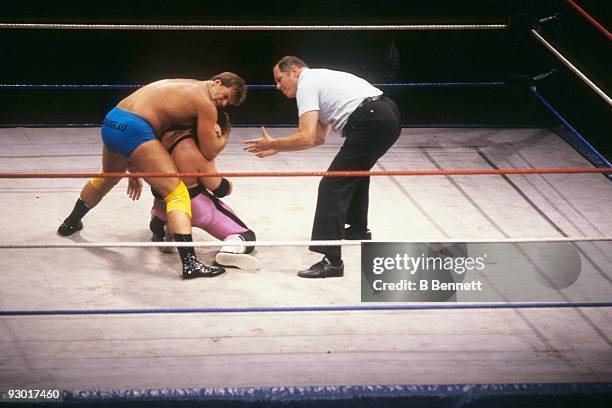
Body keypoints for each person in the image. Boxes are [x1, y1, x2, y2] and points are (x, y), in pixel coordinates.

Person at [57, 73, 247, 279]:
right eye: (226, 96)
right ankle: (190, 264)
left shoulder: (186, 85)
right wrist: (226, 132)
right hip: (135, 129)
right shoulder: (206, 103)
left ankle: (70, 222)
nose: (223, 103)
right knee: (176, 193)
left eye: (228, 103)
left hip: (113, 120)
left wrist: (133, 166)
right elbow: (209, 151)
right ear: (217, 82)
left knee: (109, 176)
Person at [245, 56, 401, 279]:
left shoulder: (307, 83)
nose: (278, 86)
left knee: (332, 185)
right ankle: (358, 228)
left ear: (295, 71)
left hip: (372, 119)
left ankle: (332, 261)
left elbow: (306, 136)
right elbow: (318, 138)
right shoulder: (319, 79)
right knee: (354, 173)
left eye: (280, 79)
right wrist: (279, 148)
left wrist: (273, 143)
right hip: (386, 115)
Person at [144, 120, 260, 270]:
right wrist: (228, 185)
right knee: (246, 237)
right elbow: (218, 189)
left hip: (162, 205)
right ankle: (229, 250)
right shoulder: (194, 150)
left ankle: (161, 228)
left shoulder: (157, 138)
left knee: (159, 212)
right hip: (197, 207)